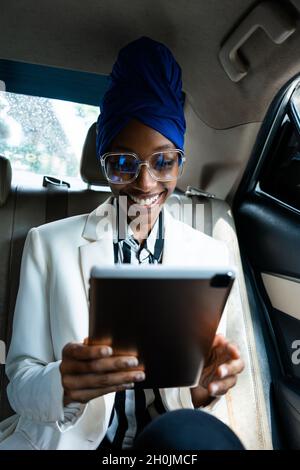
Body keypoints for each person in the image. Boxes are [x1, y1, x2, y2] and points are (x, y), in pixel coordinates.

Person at [0, 37, 244, 450]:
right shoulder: (48, 245)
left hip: (169, 443)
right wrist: (63, 383)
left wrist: (204, 391)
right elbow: (19, 382)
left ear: (180, 162)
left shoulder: (211, 254)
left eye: (164, 162)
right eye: (123, 164)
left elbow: (195, 387)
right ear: (105, 163)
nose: (145, 183)